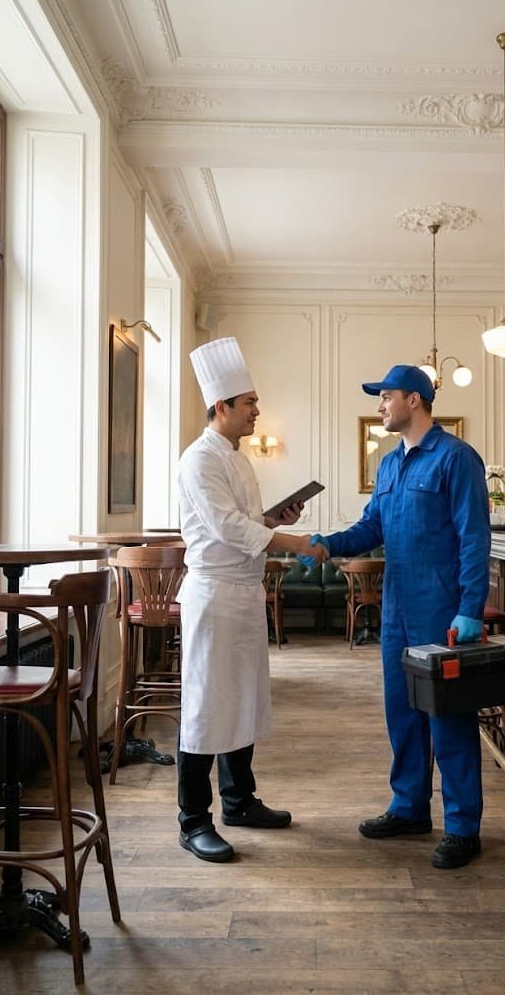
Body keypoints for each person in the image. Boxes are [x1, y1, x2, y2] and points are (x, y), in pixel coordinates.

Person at [308, 364, 490, 868]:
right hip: (397, 609)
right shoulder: (389, 465)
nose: (380, 405)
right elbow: (370, 528)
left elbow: (475, 538)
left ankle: (462, 826)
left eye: (385, 396)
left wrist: (470, 608)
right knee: (403, 712)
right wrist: (326, 545)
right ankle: (410, 807)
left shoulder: (456, 458)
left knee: (449, 718)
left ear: (414, 399)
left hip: (442, 609)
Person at [177, 336, 327, 863]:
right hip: (214, 595)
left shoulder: (237, 459)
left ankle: (239, 801)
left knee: (242, 698)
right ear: (222, 407)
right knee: (203, 706)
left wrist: (274, 521)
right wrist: (294, 542)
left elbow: (244, 525)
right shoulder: (198, 460)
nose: (257, 411)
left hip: (244, 595)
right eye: (250, 404)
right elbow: (224, 528)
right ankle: (193, 819)